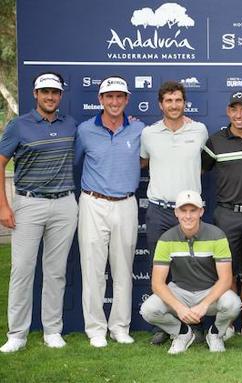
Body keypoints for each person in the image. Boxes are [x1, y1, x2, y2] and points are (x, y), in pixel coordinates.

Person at [0, 73, 78, 353]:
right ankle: (17, 334)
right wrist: (3, 205)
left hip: (65, 204)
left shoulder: (70, 124)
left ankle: (52, 331)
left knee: (56, 272)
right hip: (28, 204)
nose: (50, 97)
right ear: (35, 94)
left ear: (60, 96)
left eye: (55, 92)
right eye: (45, 92)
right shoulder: (18, 126)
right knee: (22, 270)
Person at [74, 76, 144, 348]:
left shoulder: (139, 130)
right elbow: (75, 162)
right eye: (109, 97)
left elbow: (147, 157)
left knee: (123, 269)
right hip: (93, 202)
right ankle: (95, 329)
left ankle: (119, 327)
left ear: (126, 100)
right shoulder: (84, 130)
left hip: (126, 203)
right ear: (100, 100)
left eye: (119, 97)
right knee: (92, 269)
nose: (114, 102)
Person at [140, 81, 209, 345]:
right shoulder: (149, 134)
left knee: (196, 268)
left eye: (178, 100)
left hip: (191, 211)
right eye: (168, 101)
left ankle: (197, 323)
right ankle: (165, 325)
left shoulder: (199, 131)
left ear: (185, 102)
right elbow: (144, 161)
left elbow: (204, 164)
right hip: (159, 210)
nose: (173, 105)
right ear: (160, 104)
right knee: (159, 269)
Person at [140, 190, 242, 354]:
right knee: (148, 310)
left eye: (193, 210)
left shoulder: (217, 235)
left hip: (209, 291)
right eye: (183, 210)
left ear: (201, 211)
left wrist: (204, 304)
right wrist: (179, 308)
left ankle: (215, 334)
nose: (188, 216)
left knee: (233, 304)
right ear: (176, 212)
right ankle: (182, 333)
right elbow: (157, 284)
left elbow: (225, 279)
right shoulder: (166, 239)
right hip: (180, 291)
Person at [202, 91, 242, 343]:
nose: (239, 115)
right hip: (226, 214)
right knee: (226, 270)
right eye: (234, 109)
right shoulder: (216, 140)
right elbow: (198, 170)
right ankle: (227, 323)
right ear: (228, 112)